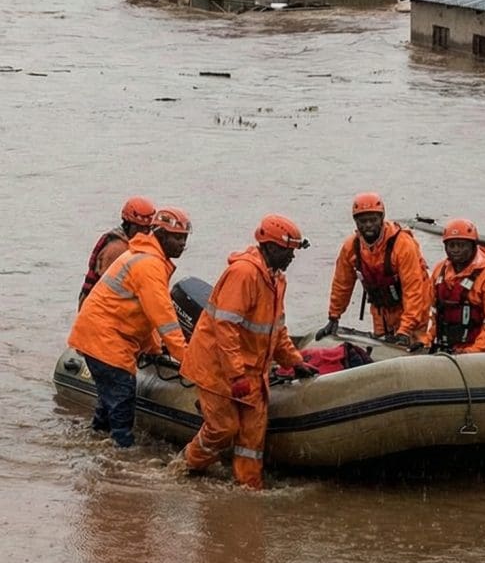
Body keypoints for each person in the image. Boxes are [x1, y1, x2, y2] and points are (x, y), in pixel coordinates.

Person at [178, 214, 319, 488]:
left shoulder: (276, 280)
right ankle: (186, 465)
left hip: (253, 372)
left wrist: (294, 361)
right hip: (219, 369)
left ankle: (249, 488)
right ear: (272, 247)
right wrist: (236, 375)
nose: (292, 257)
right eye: (288, 251)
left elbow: (276, 329)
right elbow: (225, 327)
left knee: (252, 440)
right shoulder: (244, 273)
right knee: (224, 428)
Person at [67, 207, 193, 448]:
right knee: (122, 401)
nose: (182, 244)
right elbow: (165, 319)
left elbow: (144, 314)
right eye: (177, 238)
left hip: (99, 336)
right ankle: (122, 454)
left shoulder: (145, 257)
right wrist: (188, 361)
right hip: (106, 340)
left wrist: (155, 349)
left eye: (184, 239)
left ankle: (96, 441)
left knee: (109, 402)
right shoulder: (149, 265)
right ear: (160, 235)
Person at [323, 192, 432, 349]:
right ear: (356, 222)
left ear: (382, 219)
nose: (368, 225)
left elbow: (414, 290)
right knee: (381, 346)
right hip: (381, 308)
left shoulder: (403, 245)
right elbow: (342, 284)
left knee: (412, 345)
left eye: (373, 220)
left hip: (413, 305)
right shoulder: (351, 247)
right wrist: (334, 316)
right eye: (363, 221)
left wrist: (405, 329)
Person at [429, 219, 485, 356]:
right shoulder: (439, 272)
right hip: (456, 352)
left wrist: (471, 352)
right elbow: (435, 317)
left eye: (461, 245)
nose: (456, 250)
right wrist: (426, 341)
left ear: (473, 246)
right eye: (451, 245)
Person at [78, 196, 157, 307]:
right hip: (97, 306)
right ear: (128, 225)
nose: (145, 233)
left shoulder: (125, 242)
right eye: (140, 228)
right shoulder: (117, 249)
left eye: (148, 229)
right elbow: (108, 289)